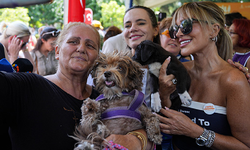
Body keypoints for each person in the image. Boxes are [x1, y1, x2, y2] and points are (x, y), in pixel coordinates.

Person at [0, 22, 150, 150]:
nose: (81, 48)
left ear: (98, 59)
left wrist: (136, 140)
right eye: (73, 42)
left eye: (90, 45)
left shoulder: (105, 97)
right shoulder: (27, 86)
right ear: (57, 51)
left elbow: (148, 127)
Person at [157, 1, 250, 150]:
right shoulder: (179, 71)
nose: (179, 34)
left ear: (213, 30)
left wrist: (195, 132)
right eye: (175, 29)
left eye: (186, 25)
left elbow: (245, 146)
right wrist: (164, 95)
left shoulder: (233, 80)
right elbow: (169, 122)